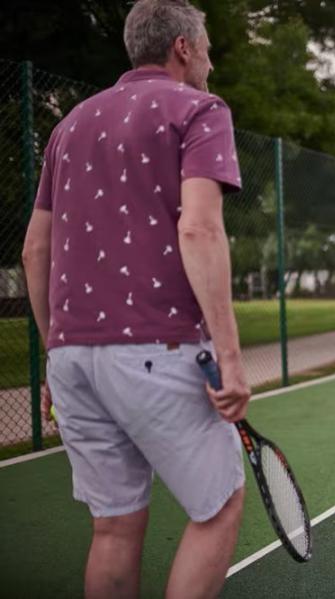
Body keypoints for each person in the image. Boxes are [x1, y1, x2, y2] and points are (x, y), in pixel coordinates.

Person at [21, 1, 250, 597]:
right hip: (158, 347)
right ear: (182, 48)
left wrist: (54, 352)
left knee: (113, 530)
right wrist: (230, 356)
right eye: (205, 47)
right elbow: (200, 230)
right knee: (220, 508)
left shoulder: (68, 125)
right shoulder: (201, 109)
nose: (210, 60)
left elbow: (33, 253)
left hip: (72, 360)